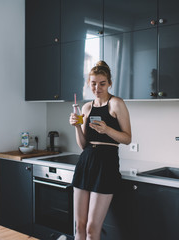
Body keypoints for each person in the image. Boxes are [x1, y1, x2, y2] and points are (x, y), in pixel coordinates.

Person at [69, 61, 132, 240]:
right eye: (93, 83)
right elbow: (83, 145)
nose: (97, 88)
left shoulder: (116, 104)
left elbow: (127, 138)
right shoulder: (87, 107)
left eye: (102, 83)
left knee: (91, 228)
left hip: (106, 164)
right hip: (86, 161)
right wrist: (76, 126)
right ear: (89, 84)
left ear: (109, 83)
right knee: (79, 226)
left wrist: (107, 130)